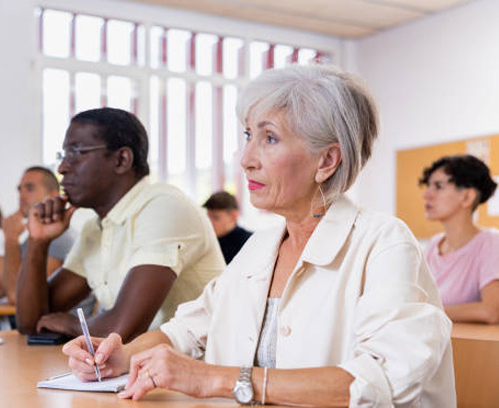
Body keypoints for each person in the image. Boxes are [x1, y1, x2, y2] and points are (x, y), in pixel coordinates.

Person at [62, 65, 456, 407]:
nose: (246, 158)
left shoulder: (384, 243)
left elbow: (382, 382)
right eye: (247, 135)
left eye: (269, 138)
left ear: (327, 161)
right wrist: (123, 356)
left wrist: (215, 379)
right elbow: (186, 330)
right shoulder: (260, 247)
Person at [16, 107, 225, 341]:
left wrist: (72, 324)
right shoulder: (96, 229)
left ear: (121, 160)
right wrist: (37, 242)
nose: (62, 168)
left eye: (75, 152)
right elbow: (29, 322)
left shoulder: (163, 207)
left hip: (201, 369)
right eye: (62, 155)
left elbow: (123, 329)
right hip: (142, 368)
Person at [420, 154, 499, 324]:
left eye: (438, 186)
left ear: (467, 197)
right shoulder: (434, 244)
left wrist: (427, 312)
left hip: (469, 348)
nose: (426, 195)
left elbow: (491, 311)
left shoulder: (491, 242)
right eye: (428, 186)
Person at [2, 166, 76, 304]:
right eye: (20, 189)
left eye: (30, 189)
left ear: (53, 196)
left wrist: (10, 239)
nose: (21, 196)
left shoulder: (59, 238)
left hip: (59, 324)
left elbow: (17, 297)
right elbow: (3, 286)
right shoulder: (32, 239)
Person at [202, 191, 252, 263]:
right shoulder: (207, 242)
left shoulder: (249, 243)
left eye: (215, 218)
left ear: (233, 216)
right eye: (208, 217)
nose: (209, 223)